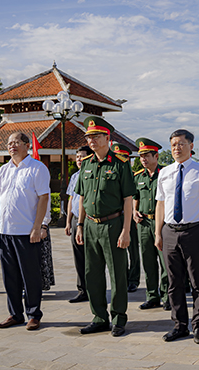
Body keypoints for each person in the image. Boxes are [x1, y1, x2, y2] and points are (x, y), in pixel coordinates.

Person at [155, 129, 199, 345]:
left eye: (181, 143)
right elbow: (160, 204)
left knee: (198, 282)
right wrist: (158, 232)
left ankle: (198, 326)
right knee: (173, 283)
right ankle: (179, 326)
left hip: (194, 232)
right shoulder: (165, 173)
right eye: (173, 144)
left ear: (191, 146)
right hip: (170, 232)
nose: (176, 148)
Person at [75, 117, 136, 337]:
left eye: (96, 136)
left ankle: (119, 317)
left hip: (113, 224)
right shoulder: (87, 164)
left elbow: (128, 199)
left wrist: (126, 231)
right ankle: (99, 316)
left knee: (117, 274)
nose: (91, 140)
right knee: (92, 273)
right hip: (91, 225)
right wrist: (80, 225)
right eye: (89, 137)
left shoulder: (120, 164)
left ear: (107, 138)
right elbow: (82, 197)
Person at [0, 132, 50, 331]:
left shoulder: (37, 168)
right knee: (10, 276)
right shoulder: (4, 170)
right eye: (9, 143)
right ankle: (15, 314)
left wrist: (38, 227)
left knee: (30, 275)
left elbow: (43, 198)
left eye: (16, 142)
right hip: (5, 232)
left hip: (27, 232)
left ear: (26, 145)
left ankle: (33, 315)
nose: (12, 146)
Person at [133, 138, 170, 311]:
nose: (143, 159)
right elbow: (135, 197)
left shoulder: (166, 174)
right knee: (148, 261)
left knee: (165, 262)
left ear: (156, 156)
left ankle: (167, 296)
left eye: (147, 155)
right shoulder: (138, 176)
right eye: (141, 156)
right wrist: (135, 211)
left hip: (162, 223)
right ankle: (152, 296)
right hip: (144, 223)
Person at [65, 146, 93, 303]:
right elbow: (71, 199)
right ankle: (82, 290)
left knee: (91, 257)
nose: (79, 159)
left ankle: (93, 289)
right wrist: (68, 221)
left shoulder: (91, 175)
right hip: (76, 219)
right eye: (77, 157)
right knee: (79, 256)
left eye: (82, 156)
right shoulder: (75, 176)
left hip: (89, 220)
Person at [112, 142, 141, 293]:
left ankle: (134, 279)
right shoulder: (112, 173)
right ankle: (122, 277)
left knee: (134, 251)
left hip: (131, 218)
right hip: (116, 219)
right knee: (118, 250)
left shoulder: (135, 176)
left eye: (123, 157)